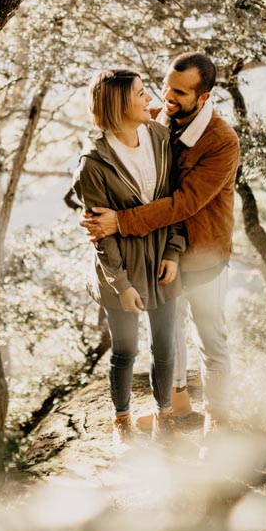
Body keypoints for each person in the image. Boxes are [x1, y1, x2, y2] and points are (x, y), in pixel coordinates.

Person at [81, 52, 239, 437]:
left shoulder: (221, 141)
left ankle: (217, 421)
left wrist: (119, 222)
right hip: (159, 255)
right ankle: (178, 408)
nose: (165, 96)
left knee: (209, 338)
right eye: (166, 85)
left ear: (202, 97)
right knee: (171, 338)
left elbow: (182, 202)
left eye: (179, 92)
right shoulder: (162, 123)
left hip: (201, 254)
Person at [72, 68, 187, 445]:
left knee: (165, 346)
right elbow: (100, 235)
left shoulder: (158, 136)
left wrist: (173, 252)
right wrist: (120, 285)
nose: (148, 98)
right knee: (125, 351)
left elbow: (174, 201)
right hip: (118, 269)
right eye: (140, 94)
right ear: (120, 104)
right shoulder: (94, 162)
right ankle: (122, 421)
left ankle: (163, 416)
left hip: (161, 264)